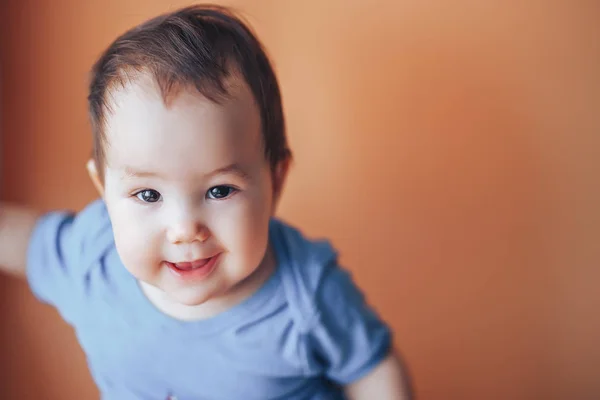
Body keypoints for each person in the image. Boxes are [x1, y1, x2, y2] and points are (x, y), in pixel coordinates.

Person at [0, 5, 411, 399]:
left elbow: (373, 369)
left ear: (276, 180)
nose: (184, 229)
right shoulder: (93, 256)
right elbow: (24, 239)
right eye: (148, 195)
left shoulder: (307, 293)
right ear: (104, 189)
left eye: (219, 191)